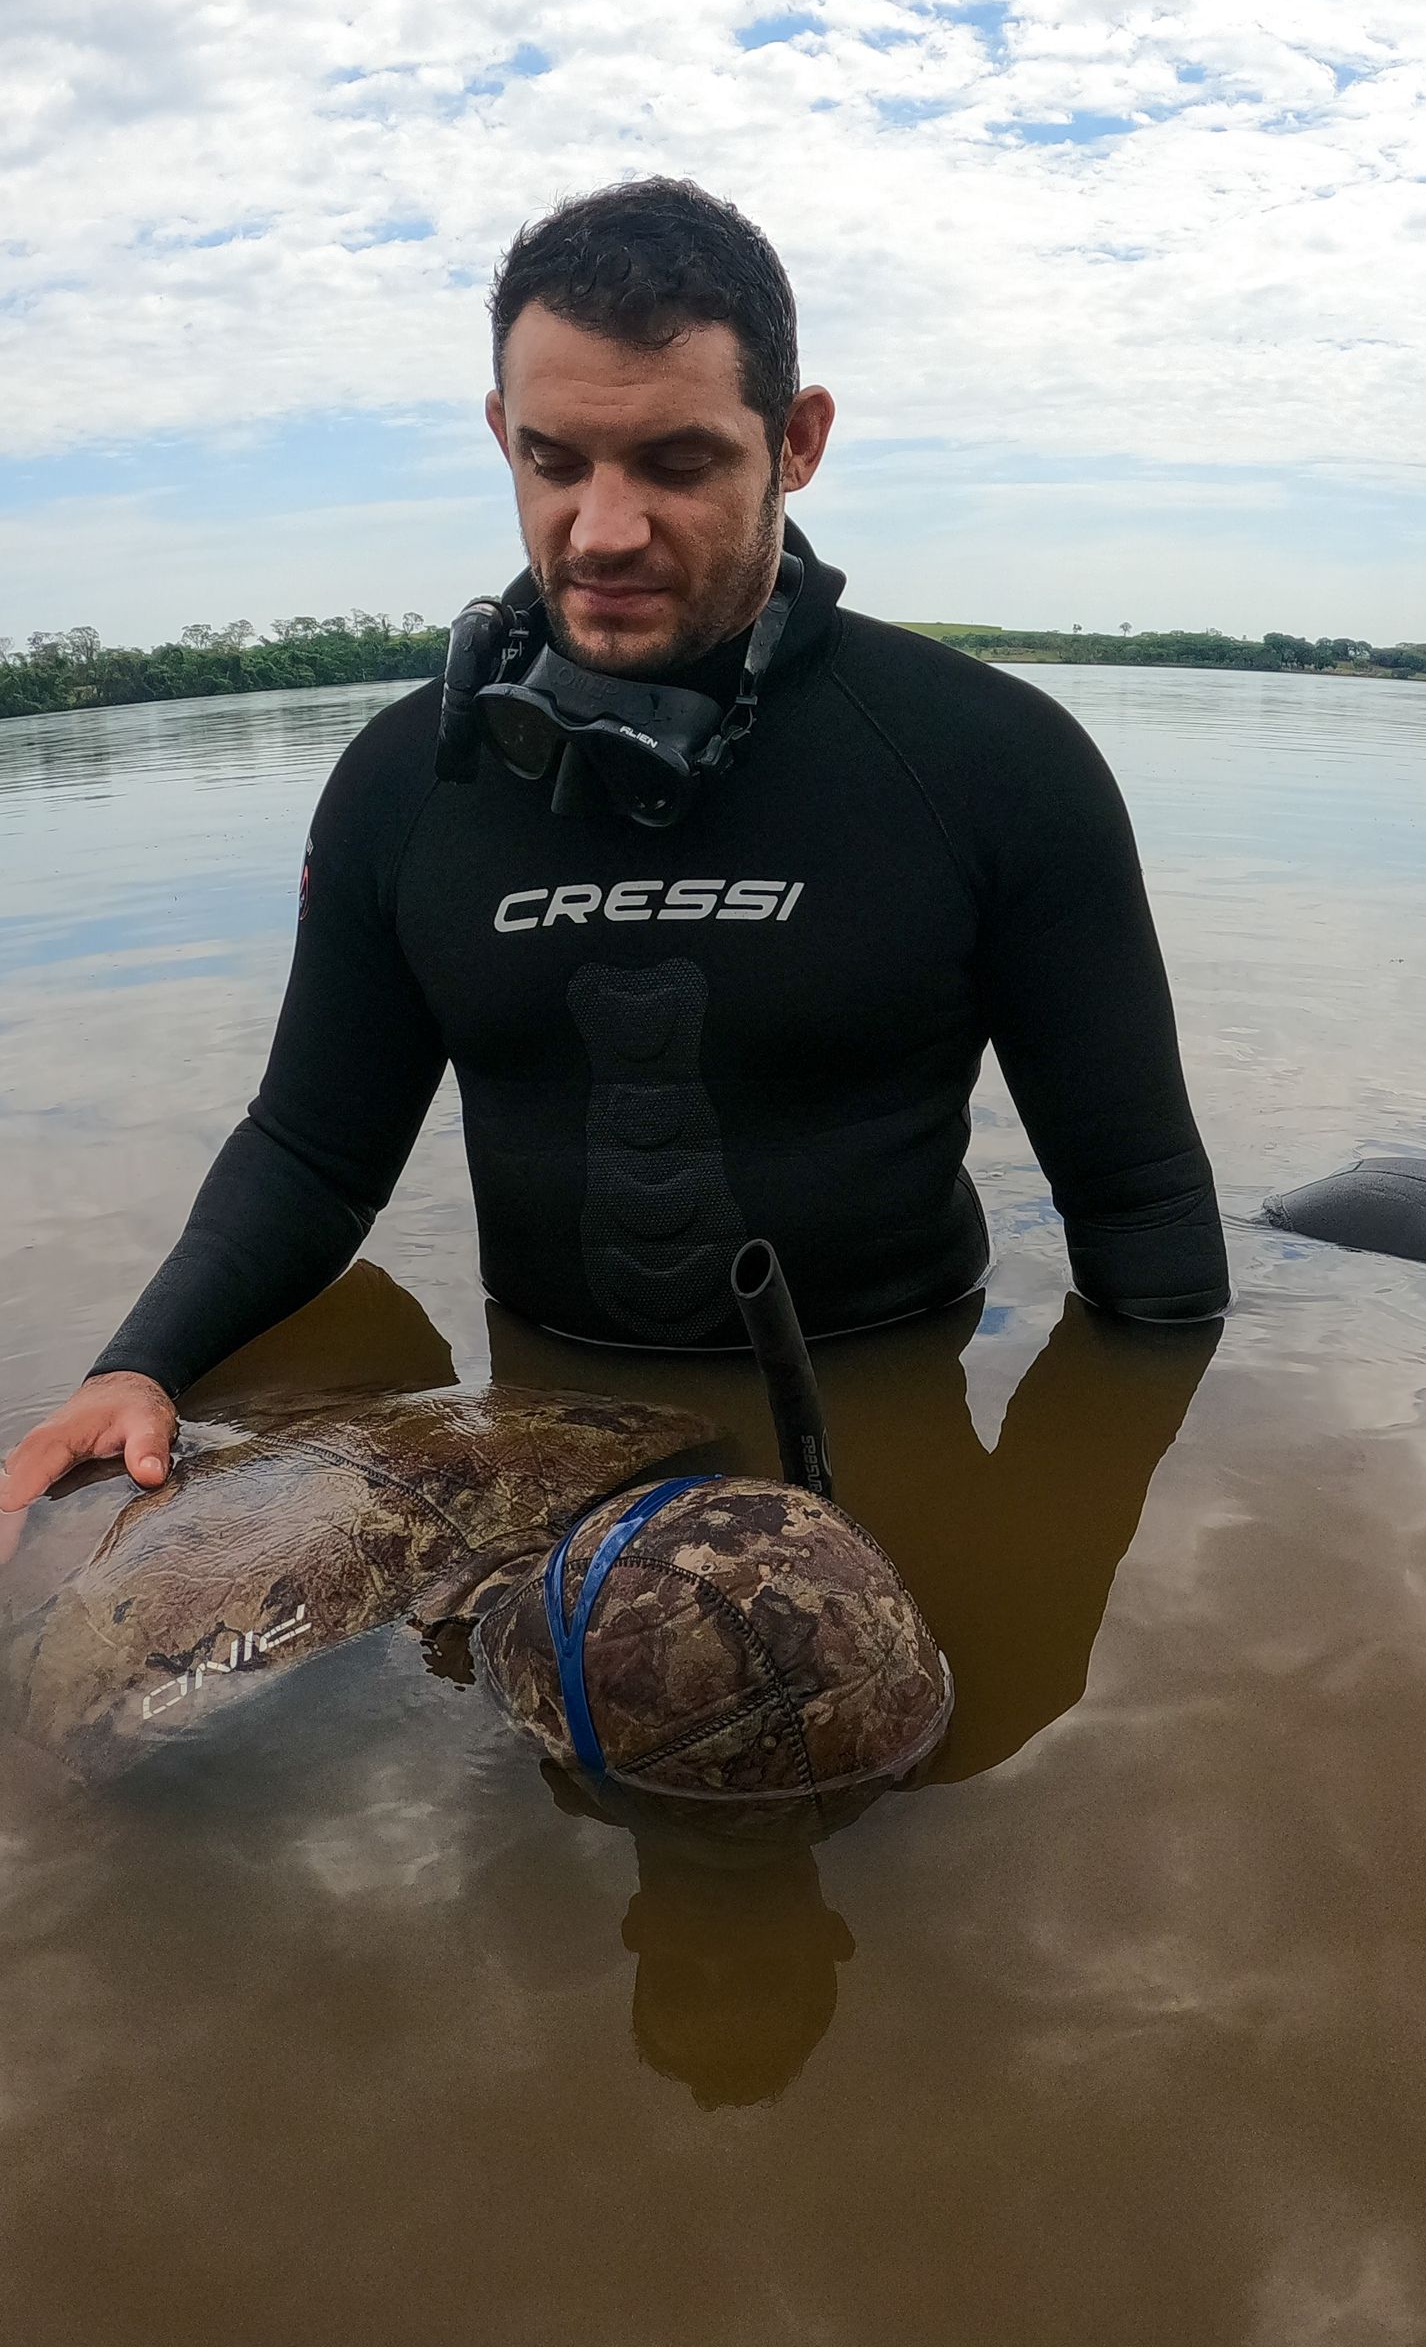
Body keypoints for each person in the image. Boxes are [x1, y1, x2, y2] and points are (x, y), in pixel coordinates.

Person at [1, 177, 1228, 1514]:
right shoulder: (403, 785)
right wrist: (140, 1362)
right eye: (555, 462)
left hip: (890, 1407)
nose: (603, 530)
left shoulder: (995, 763)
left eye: (676, 463)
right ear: (501, 434)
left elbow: (1141, 1212)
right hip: (539, 1447)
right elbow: (314, 1155)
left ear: (798, 442)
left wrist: (1086, 1524)